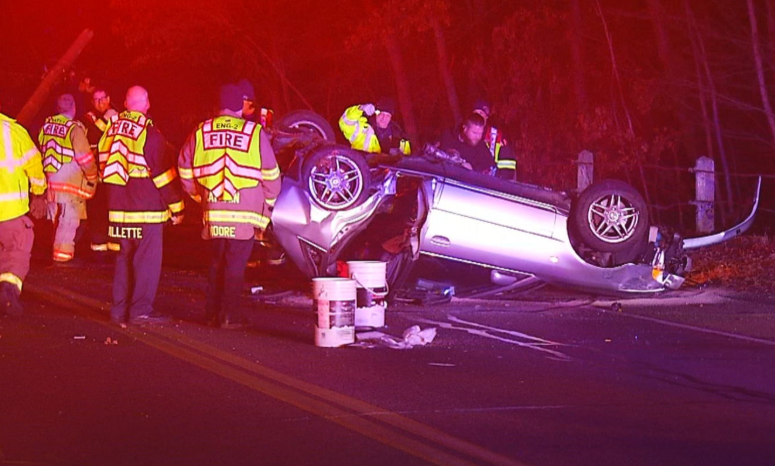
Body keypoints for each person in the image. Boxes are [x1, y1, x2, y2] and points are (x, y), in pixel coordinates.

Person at [178, 83, 282, 329]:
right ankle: (230, 316)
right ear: (240, 105)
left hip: (214, 213)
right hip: (244, 217)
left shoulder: (201, 130)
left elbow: (184, 168)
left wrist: (199, 197)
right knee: (235, 265)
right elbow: (271, 176)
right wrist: (266, 208)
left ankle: (211, 313)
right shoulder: (253, 132)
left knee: (216, 263)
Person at [97, 86, 185, 325]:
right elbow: (163, 176)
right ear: (147, 104)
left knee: (123, 259)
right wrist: (177, 208)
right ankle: (140, 310)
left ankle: (118, 310)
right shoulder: (150, 132)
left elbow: (101, 167)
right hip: (146, 212)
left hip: (118, 211)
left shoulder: (109, 130)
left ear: (125, 103)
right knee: (146, 261)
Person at [38, 94, 98, 262]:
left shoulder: (46, 126)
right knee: (68, 223)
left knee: (54, 221)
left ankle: (54, 255)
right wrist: (92, 177)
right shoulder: (74, 129)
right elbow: (85, 159)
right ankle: (62, 260)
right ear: (73, 108)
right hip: (69, 185)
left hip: (50, 184)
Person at [0, 103, 47, 316]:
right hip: (11, 211)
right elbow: (34, 164)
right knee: (17, 250)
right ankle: (7, 291)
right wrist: (39, 192)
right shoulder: (13, 132)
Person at [82, 87, 119, 254]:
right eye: (96, 99)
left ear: (109, 98)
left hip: (114, 173)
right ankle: (98, 247)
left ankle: (115, 245)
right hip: (96, 174)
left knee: (113, 210)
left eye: (102, 98)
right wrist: (104, 119)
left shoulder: (118, 116)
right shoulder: (88, 118)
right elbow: (92, 136)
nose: (100, 102)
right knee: (97, 210)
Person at [339, 97, 411, 155]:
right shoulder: (362, 128)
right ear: (376, 114)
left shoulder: (400, 137)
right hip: (363, 170)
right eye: (381, 114)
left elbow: (407, 165)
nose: (384, 118)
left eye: (387, 115)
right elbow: (344, 121)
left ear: (391, 117)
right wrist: (361, 108)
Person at [472, 99, 517, 181]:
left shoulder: (498, 137)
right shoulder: (464, 132)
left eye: (481, 113)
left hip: (491, 183)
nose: (478, 116)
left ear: (487, 116)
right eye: (476, 113)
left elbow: (507, 168)